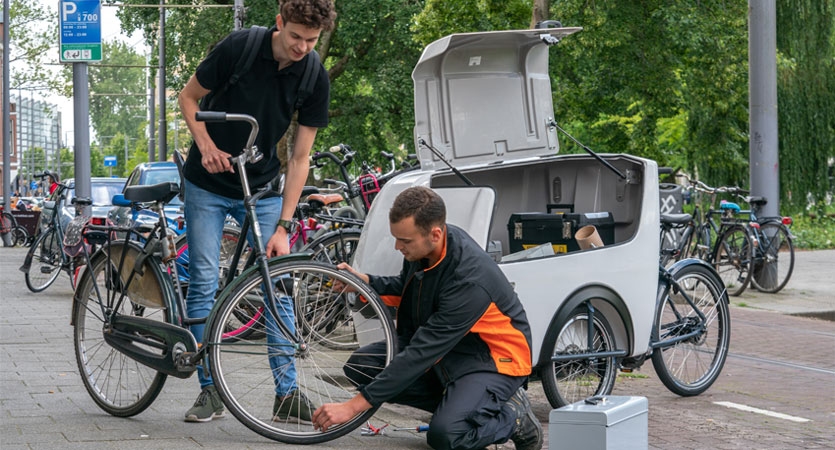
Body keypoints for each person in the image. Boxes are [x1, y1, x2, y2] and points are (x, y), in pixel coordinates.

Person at [177, 0, 335, 423]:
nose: (302, 47)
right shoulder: (240, 48)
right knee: (205, 280)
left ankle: (286, 395)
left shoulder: (314, 74)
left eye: (311, 40)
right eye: (296, 36)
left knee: (277, 279)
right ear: (280, 23)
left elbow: (300, 158)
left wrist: (284, 225)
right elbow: (189, 97)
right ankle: (209, 388)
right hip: (207, 183)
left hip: (262, 187)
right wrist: (207, 146)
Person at [312, 186, 544, 450]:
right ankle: (463, 407)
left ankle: (512, 416)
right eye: (396, 238)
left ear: (434, 234)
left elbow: (422, 352)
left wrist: (352, 407)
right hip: (449, 351)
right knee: (361, 365)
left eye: (405, 241)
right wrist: (363, 282)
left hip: (491, 361)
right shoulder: (427, 248)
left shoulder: (470, 280)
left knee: (445, 437)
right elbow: (407, 287)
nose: (398, 247)